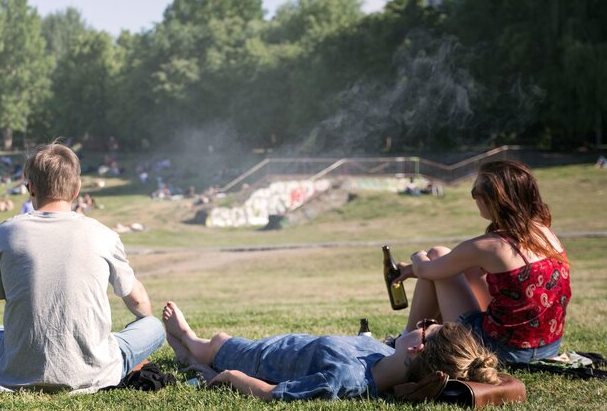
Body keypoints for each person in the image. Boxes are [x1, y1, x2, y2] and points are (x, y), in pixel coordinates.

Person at [0, 142, 164, 393]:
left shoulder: (4, 233)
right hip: (94, 373)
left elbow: (5, 294)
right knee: (154, 327)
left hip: (16, 375)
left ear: (31, 187)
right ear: (77, 189)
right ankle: (113, 358)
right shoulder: (103, 235)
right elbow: (137, 302)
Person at [393, 160, 570, 363]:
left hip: (500, 351)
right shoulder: (545, 233)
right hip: (548, 347)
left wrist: (416, 256)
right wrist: (411, 270)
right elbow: (449, 268)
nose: (474, 196)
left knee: (437, 253)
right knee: (462, 269)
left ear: (494, 199)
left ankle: (405, 339)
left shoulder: (488, 246)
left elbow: (425, 269)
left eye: (477, 191)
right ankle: (412, 337)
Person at [162, 302, 499, 402]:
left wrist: (231, 377)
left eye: (425, 324)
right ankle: (194, 354)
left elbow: (276, 394)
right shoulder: (383, 355)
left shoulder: (347, 378)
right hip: (281, 345)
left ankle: (192, 348)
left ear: (416, 347)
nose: (418, 323)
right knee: (218, 342)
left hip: (257, 358)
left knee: (215, 342)